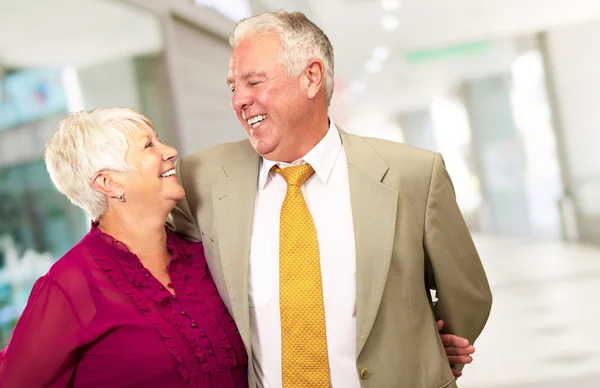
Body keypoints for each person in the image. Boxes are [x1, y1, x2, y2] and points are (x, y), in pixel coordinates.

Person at [168, 10, 492, 388]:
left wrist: (417, 345)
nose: (239, 100)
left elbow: (466, 295)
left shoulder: (413, 174)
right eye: (232, 86)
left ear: (311, 76)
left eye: (253, 81)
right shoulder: (201, 177)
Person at [0, 108, 248, 388]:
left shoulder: (204, 257)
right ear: (109, 182)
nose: (170, 151)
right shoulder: (69, 286)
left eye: (158, 139)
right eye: (148, 145)